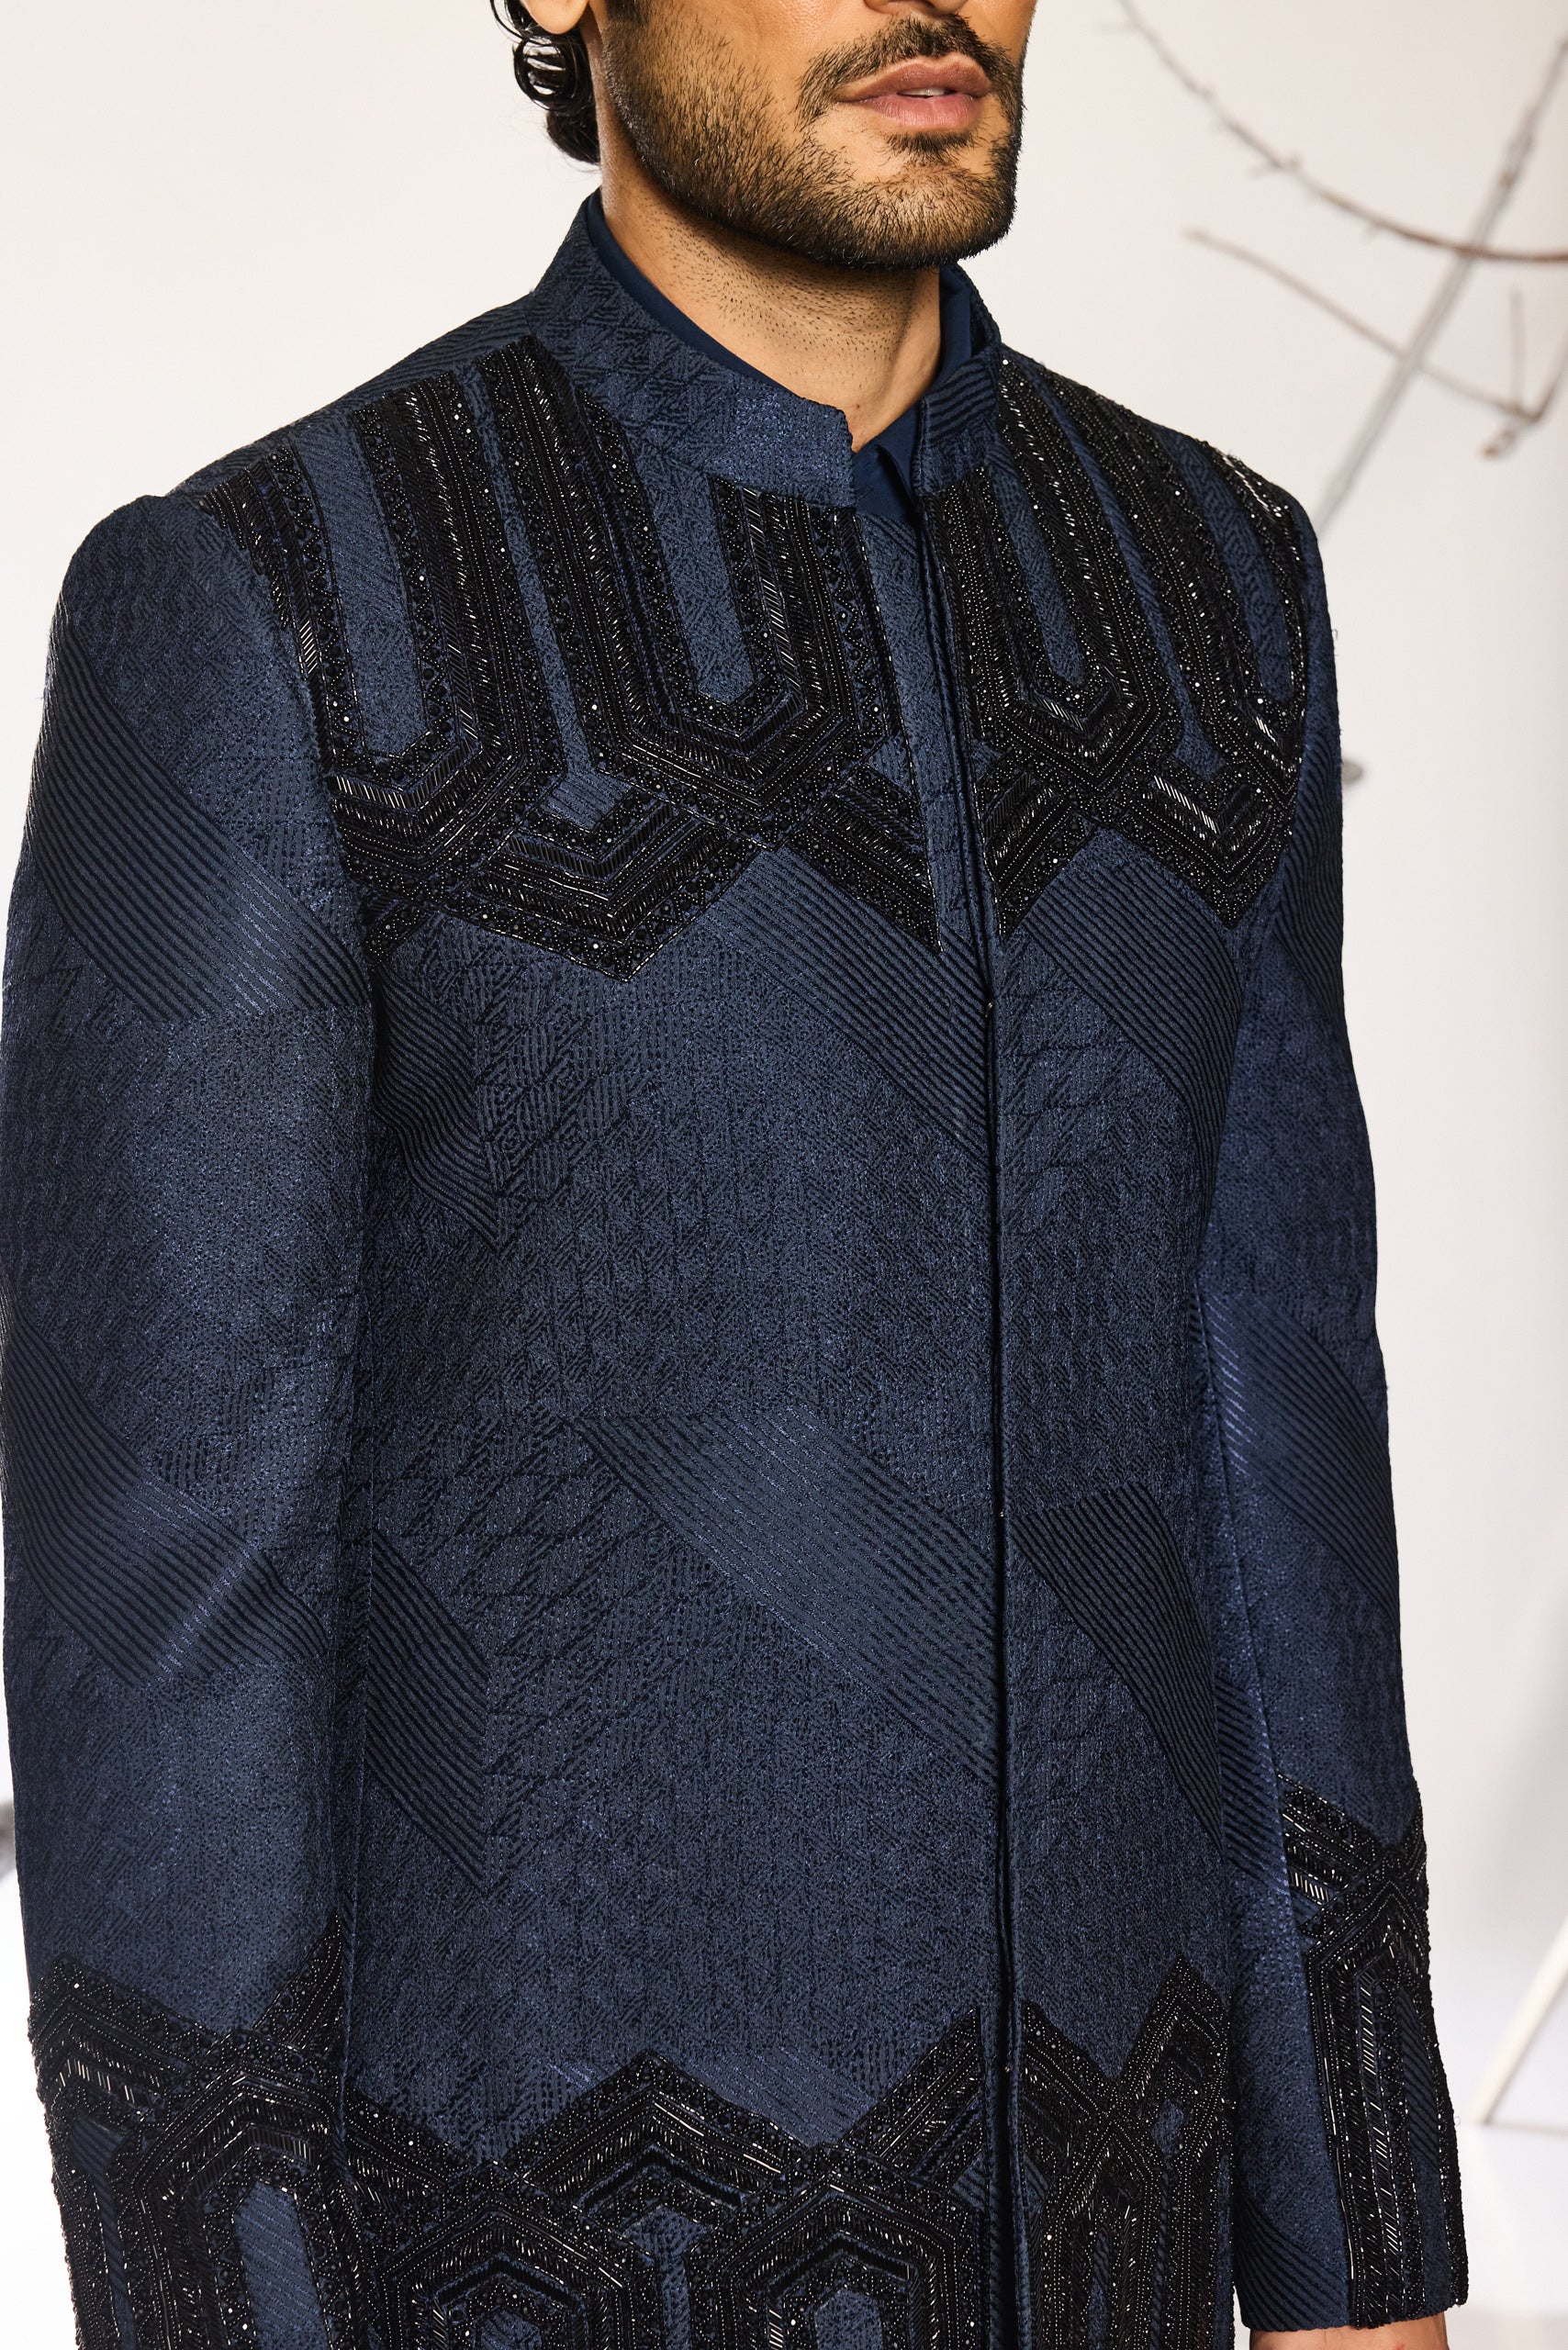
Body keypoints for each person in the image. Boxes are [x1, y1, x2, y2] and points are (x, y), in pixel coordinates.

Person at [0, 4, 1465, 2345]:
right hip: (528, 2260)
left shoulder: (1207, 590)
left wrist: (1359, 2251)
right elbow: (160, 1623)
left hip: (1115, 2242)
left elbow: (1273, 1443)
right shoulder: (281, 602)